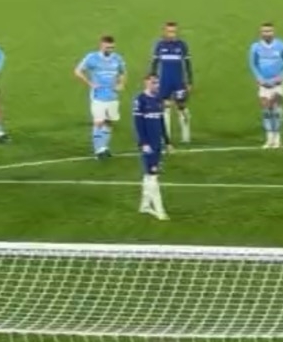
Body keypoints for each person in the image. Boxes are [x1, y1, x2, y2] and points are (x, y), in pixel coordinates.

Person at [74, 36, 127, 159]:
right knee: (98, 122)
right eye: (107, 47)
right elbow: (78, 71)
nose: (110, 50)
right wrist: (90, 83)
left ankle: (104, 147)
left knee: (109, 122)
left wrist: (121, 84)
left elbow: (123, 72)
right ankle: (98, 150)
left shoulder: (117, 58)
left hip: (112, 96)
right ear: (101, 45)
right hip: (98, 96)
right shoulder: (92, 58)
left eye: (112, 47)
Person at [248, 23, 283, 149]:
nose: (267, 33)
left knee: (277, 110)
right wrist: (259, 78)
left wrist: (282, 76)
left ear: (274, 32)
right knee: (266, 110)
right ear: (260, 33)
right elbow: (252, 63)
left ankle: (277, 138)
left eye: (269, 31)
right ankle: (269, 138)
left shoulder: (282, 45)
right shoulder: (255, 47)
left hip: (277, 83)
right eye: (264, 31)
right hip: (263, 83)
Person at [150, 22, 194, 146]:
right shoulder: (160, 45)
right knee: (164, 108)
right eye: (169, 31)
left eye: (174, 31)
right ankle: (166, 137)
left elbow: (188, 64)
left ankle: (186, 136)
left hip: (178, 81)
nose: (172, 34)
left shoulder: (182, 45)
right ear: (164, 31)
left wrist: (190, 81)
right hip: (164, 81)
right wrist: (153, 81)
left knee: (181, 107)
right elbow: (154, 64)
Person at [133, 75, 168, 220]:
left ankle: (145, 206)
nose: (157, 85)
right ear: (146, 83)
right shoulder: (140, 100)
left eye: (158, 82)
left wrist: (167, 141)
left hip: (157, 143)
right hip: (148, 145)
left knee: (149, 175)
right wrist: (143, 143)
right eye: (154, 83)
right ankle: (160, 211)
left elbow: (161, 122)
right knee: (153, 175)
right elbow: (138, 124)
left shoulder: (158, 99)